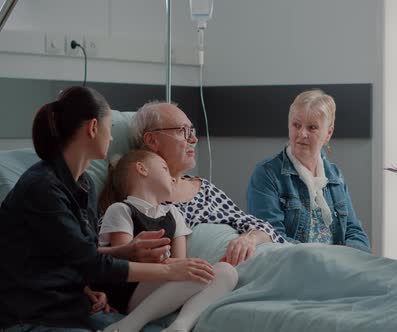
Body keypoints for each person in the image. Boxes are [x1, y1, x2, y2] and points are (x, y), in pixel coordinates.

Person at [0, 87, 215, 332]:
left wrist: (124, 253)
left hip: (77, 309)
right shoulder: (42, 188)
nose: (112, 138)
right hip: (31, 317)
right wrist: (170, 269)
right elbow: (91, 264)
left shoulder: (85, 185)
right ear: (93, 128)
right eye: (110, 129)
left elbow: (77, 253)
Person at [127, 102, 286, 266]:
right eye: (183, 131)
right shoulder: (136, 200)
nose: (194, 139)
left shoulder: (206, 190)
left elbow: (263, 228)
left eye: (192, 130)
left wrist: (248, 239)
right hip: (227, 275)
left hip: (262, 257)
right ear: (152, 140)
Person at [98, 149, 238, 332]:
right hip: (130, 288)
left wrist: (198, 268)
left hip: (165, 283)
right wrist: (172, 268)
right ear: (141, 169)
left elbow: (180, 262)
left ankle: (180, 326)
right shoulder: (121, 209)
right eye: (165, 169)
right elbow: (123, 266)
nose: (173, 178)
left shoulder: (173, 213)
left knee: (227, 272)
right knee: (193, 272)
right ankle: (129, 324)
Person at [246, 90, 371, 252]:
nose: (302, 134)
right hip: (296, 269)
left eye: (312, 127)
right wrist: (329, 260)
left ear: (328, 133)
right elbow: (273, 239)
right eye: (296, 125)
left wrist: (352, 261)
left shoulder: (335, 175)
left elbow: (355, 231)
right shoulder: (267, 174)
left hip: (338, 268)